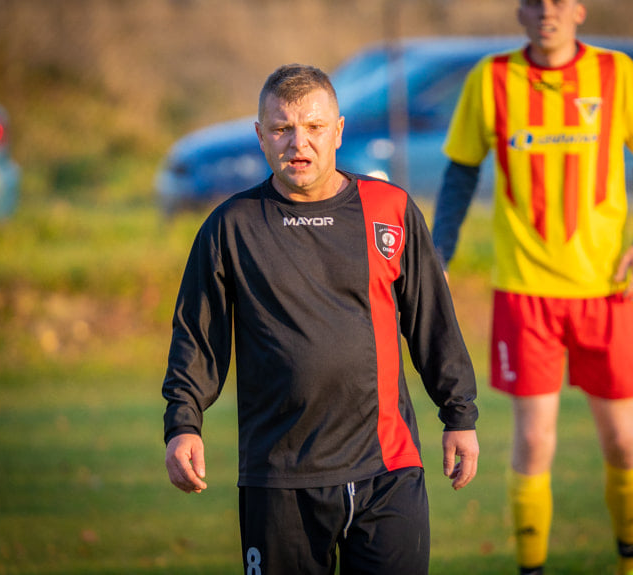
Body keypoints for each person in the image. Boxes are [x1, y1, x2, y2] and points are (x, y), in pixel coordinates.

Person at [162, 63, 480, 575]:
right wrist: (183, 423)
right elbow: (198, 338)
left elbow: (432, 322)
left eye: (313, 127)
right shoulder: (231, 226)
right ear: (261, 136)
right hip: (279, 479)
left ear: (338, 131)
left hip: (387, 468)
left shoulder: (390, 211)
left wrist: (458, 413)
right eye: (283, 128)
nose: (298, 143)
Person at [431, 1, 633, 574]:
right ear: (521, 11)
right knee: (534, 443)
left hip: (605, 290)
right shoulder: (490, 79)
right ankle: (531, 569)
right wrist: (438, 251)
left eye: (560, 1)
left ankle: (630, 565)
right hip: (525, 290)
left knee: (621, 443)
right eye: (536, 1)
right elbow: (460, 170)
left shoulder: (619, 74)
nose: (548, 12)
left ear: (580, 9)